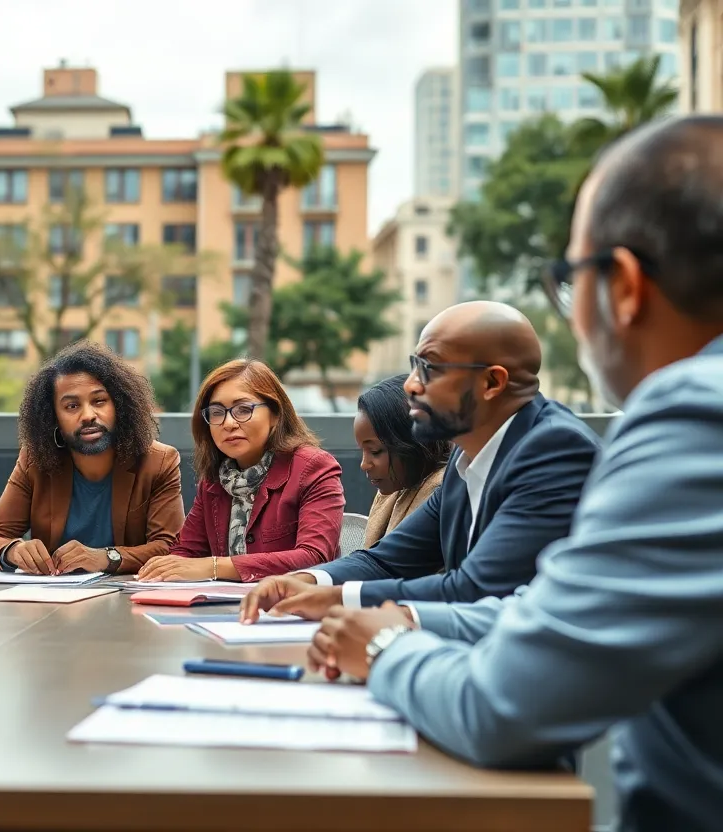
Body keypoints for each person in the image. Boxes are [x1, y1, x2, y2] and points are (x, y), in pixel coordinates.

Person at [307, 115, 723, 832]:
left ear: (622, 286)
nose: (411, 387)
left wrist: (379, 647)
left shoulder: (692, 417)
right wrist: (396, 612)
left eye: (570, 280)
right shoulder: (470, 456)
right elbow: (551, 608)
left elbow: (501, 708)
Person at [240, 301, 602, 623]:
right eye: (414, 366)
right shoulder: (468, 453)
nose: (411, 385)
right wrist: (304, 581)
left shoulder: (554, 450)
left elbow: (478, 589)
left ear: (492, 382)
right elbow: (387, 560)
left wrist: (336, 598)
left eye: (429, 368)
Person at [0, 341, 185, 576]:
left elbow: (171, 549)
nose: (88, 415)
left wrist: (106, 557)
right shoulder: (34, 461)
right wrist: (12, 551)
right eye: (72, 406)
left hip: (126, 600)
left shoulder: (159, 461)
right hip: (54, 600)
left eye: (99, 401)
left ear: (119, 405)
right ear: (52, 418)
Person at [138, 360, 344, 582]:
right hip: (224, 609)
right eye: (216, 412)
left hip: (292, 607)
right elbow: (186, 553)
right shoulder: (215, 480)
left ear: (275, 415)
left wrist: (214, 567)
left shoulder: (314, 468)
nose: (228, 423)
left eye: (243, 409)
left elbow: (315, 558)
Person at [354, 374, 450, 548]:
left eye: (375, 451)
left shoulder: (443, 493)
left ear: (413, 442)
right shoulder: (394, 487)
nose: (364, 464)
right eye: (362, 451)